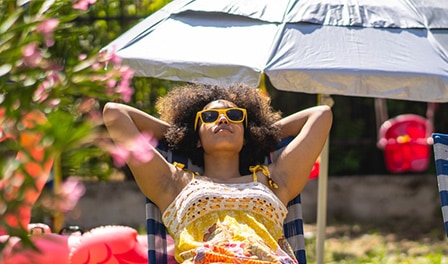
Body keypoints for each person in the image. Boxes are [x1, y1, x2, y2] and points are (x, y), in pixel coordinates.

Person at [103, 83, 332, 263]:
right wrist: (180, 138)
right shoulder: (173, 184)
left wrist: (260, 135)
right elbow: (115, 113)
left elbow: (321, 115)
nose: (223, 119)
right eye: (210, 117)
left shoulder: (274, 180)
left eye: (235, 116)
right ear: (196, 136)